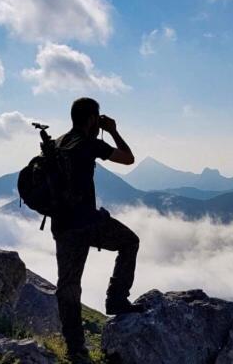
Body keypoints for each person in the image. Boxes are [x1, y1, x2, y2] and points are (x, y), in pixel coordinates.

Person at [51, 97, 141, 362]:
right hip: (87, 223)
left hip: (62, 225)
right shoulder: (89, 143)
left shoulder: (58, 143)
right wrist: (112, 130)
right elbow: (128, 158)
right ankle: (116, 298)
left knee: (68, 285)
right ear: (92, 118)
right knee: (129, 242)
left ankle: (75, 349)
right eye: (97, 118)